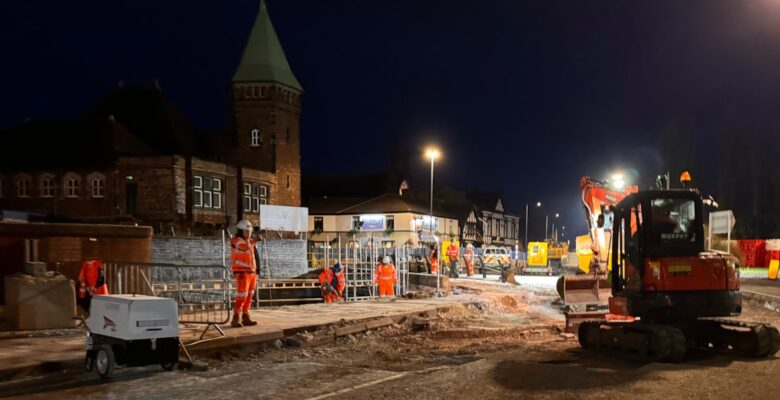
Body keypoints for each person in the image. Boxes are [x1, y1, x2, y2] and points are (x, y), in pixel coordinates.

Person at [230, 219, 259, 327]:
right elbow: (245, 248)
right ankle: (236, 317)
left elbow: (255, 257)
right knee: (242, 296)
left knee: (249, 296)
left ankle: (246, 316)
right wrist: (256, 240)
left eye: (250, 231)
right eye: (247, 231)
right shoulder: (236, 241)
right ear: (241, 231)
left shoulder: (249, 242)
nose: (249, 233)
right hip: (242, 272)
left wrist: (257, 271)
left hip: (251, 272)